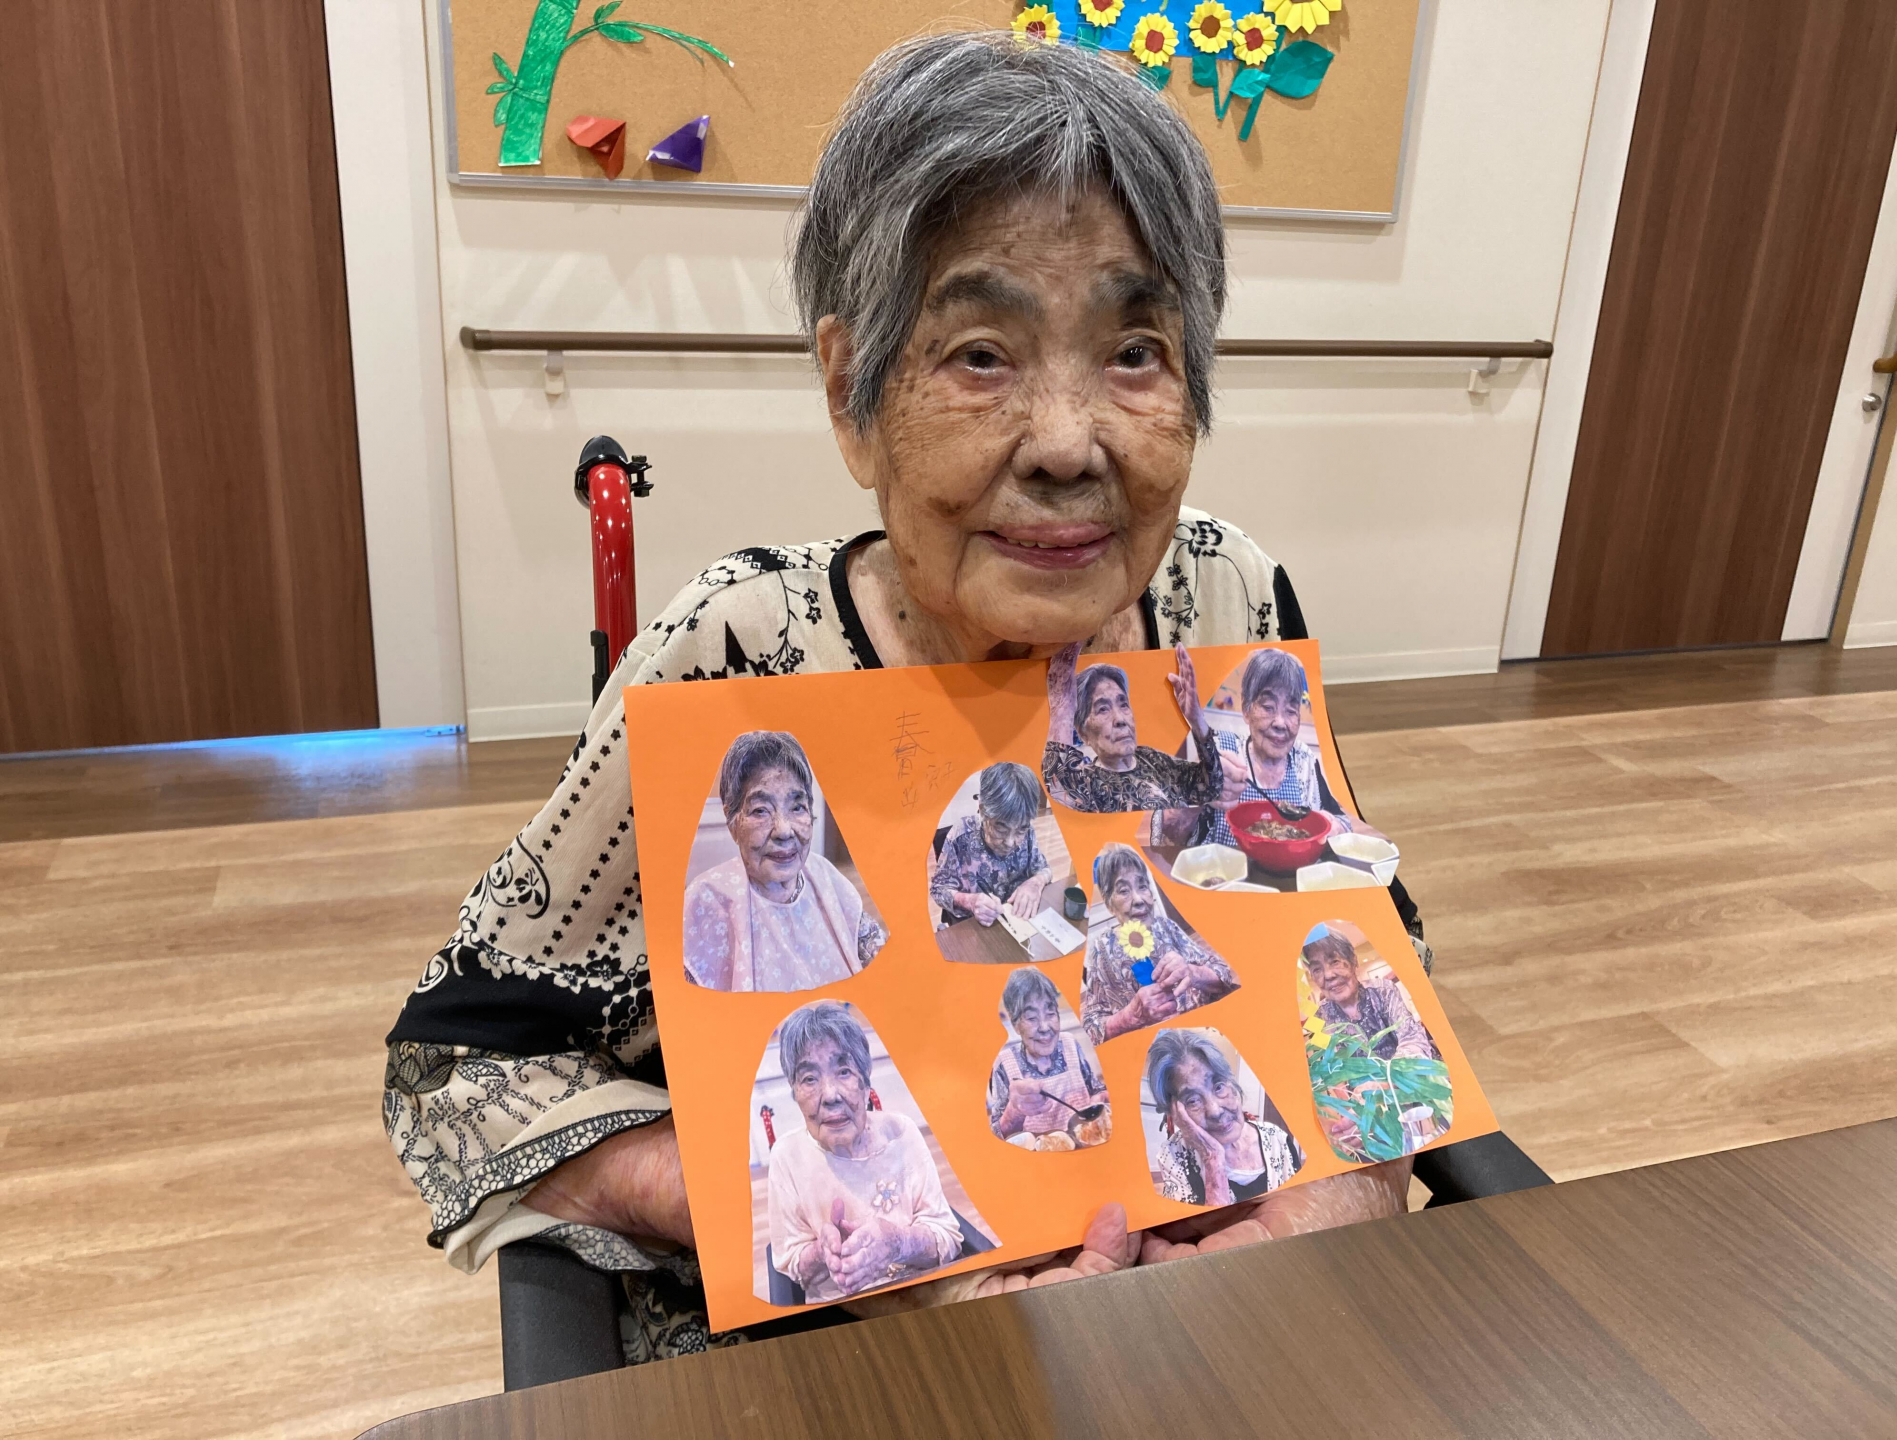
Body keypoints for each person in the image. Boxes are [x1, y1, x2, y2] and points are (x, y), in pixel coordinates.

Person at [382, 30, 1428, 1360]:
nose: (1068, 445)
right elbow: (461, 1067)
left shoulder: (1229, 600)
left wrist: (1339, 1200)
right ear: (850, 392)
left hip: (1227, 1318)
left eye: (1135, 351)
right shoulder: (741, 653)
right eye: (981, 355)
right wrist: (843, 1225)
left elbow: (1369, 952)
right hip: (843, 1344)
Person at [765, 1003, 969, 1303]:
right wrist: (822, 1251)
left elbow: (948, 1238)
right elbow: (791, 1265)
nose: (830, 1095)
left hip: (930, 1295)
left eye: (844, 1071)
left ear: (865, 1083)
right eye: (809, 1079)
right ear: (794, 1093)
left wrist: (898, 1242)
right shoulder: (788, 1157)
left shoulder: (902, 1133)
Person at [683, 731, 887, 992]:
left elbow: (882, 963)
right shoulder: (706, 899)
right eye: (760, 810)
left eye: (797, 807)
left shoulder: (826, 875)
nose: (783, 830)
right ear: (733, 823)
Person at [1160, 647, 1376, 850]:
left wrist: (1331, 826)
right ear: (1246, 709)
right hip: (1228, 874)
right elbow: (1171, 832)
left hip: (1293, 873)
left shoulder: (1304, 761)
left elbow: (1343, 822)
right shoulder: (1221, 750)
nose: (1280, 723)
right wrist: (1199, 791)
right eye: (1268, 707)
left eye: (1291, 710)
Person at [1078, 844, 1238, 1045]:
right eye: (1124, 891)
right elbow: (1091, 1028)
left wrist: (1194, 973)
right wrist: (1130, 1016)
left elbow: (1223, 974)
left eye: (1143, 886)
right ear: (1110, 904)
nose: (1138, 899)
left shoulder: (1167, 926)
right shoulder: (1102, 950)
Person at [1042, 645, 1223, 813]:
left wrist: (1196, 719)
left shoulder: (1151, 759)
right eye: (1103, 709)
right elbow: (1056, 780)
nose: (1120, 719)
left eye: (1124, 705)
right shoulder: (1088, 783)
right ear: (1083, 734)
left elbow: (1210, 788)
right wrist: (1062, 705)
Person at [1146, 1029, 1301, 1205]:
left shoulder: (1277, 1139)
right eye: (1193, 1100)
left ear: (1232, 1085)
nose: (1215, 1111)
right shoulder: (1174, 1155)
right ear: (1175, 1111)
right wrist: (1212, 1159)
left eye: (1219, 1087)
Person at [986, 968, 1109, 1149]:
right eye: (1031, 1018)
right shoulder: (1005, 1063)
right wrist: (1014, 1112)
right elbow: (998, 1137)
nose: (1044, 1027)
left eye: (1050, 1014)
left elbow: (1096, 1090)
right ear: (1015, 1025)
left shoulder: (1070, 1043)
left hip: (1087, 1144)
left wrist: (1100, 1099)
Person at [929, 763, 1052, 925]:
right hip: (975, 927)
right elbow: (938, 890)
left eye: (1020, 830)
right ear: (982, 809)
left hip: (1016, 922)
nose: (1010, 842)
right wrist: (969, 901)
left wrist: (1035, 883)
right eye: (1001, 829)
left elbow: (1044, 869)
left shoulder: (1027, 831)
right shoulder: (961, 836)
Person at [1303, 927, 1438, 1062]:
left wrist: (1388, 1074)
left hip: (1406, 1073)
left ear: (1353, 960)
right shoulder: (1320, 1015)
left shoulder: (1382, 991)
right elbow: (1326, 1063)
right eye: (1317, 969)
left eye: (1335, 962)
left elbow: (1412, 1039)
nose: (1328, 975)